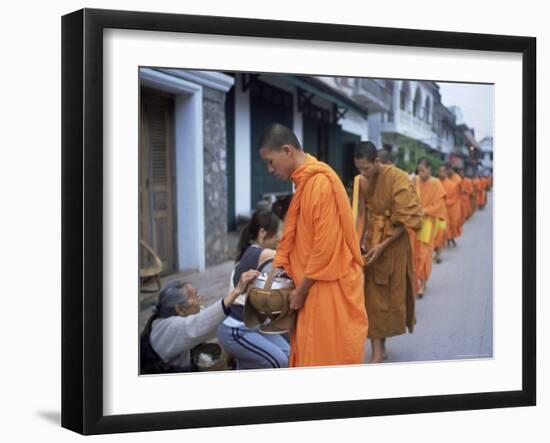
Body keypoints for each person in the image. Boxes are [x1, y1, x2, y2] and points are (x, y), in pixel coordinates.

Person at [258, 123, 368, 367]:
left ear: (287, 151)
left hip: (325, 287)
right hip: (312, 286)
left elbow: (324, 248)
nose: (269, 170)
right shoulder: (304, 182)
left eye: (270, 161)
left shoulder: (319, 183)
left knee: (325, 362)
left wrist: (301, 290)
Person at [353, 141, 423, 363]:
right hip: (371, 244)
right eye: (359, 169)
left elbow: (406, 219)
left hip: (394, 245)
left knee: (388, 299)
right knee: (372, 299)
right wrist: (358, 244)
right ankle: (376, 351)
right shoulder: (361, 181)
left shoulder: (398, 178)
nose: (362, 173)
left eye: (366, 168)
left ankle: (381, 346)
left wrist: (382, 246)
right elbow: (360, 216)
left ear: (377, 161)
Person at [140, 271, 259, 374]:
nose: (200, 299)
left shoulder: (174, 316)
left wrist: (240, 300)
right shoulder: (170, 327)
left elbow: (209, 313)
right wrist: (236, 291)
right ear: (180, 309)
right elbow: (201, 322)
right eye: (195, 296)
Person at [217, 209, 291, 370]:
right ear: (262, 232)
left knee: (287, 353)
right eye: (278, 231)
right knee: (280, 361)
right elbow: (291, 258)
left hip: (254, 325)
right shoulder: (260, 253)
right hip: (237, 327)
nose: (280, 236)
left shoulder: (251, 251)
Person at [411, 158, 447, 298]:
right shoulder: (415, 182)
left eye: (423, 170)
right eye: (419, 171)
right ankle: (416, 283)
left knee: (424, 254)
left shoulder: (435, 184)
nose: (421, 173)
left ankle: (423, 282)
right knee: (414, 254)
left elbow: (439, 205)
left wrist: (425, 211)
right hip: (414, 223)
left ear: (429, 169)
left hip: (427, 223)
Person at [439, 163, 461, 248]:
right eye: (440, 171)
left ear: (447, 172)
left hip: (449, 208)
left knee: (451, 225)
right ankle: (442, 243)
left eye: (443, 171)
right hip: (438, 210)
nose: (441, 173)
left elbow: (454, 197)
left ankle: (449, 240)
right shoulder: (435, 183)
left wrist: (444, 203)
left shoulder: (452, 184)